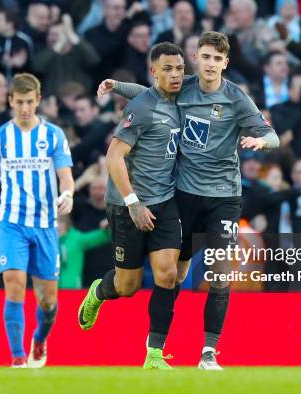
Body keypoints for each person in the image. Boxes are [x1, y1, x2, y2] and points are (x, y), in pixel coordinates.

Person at [98, 31, 279, 370]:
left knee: (220, 273)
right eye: (205, 57)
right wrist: (118, 87)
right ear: (197, 58)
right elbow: (153, 95)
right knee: (173, 276)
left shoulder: (238, 99)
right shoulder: (186, 87)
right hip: (183, 194)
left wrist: (261, 143)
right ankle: (156, 349)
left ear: (226, 63)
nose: (210, 64)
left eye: (217, 59)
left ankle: (208, 353)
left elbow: (271, 134)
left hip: (225, 197)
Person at [78, 42, 185, 370]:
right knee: (128, 286)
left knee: (168, 274)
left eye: (179, 68)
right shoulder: (140, 110)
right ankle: (99, 291)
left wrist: (119, 85)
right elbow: (113, 157)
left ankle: (154, 353)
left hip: (165, 201)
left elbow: (151, 93)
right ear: (155, 72)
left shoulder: (178, 99)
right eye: (167, 69)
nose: (176, 75)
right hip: (128, 205)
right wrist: (133, 203)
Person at [0, 73, 74, 368]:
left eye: (30, 102)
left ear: (38, 101)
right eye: (19, 102)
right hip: (11, 223)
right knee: (15, 283)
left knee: (47, 301)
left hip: (45, 224)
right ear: (11, 101)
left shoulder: (54, 135)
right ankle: (17, 356)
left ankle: (40, 340)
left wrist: (68, 194)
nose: (24, 108)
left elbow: (65, 175)